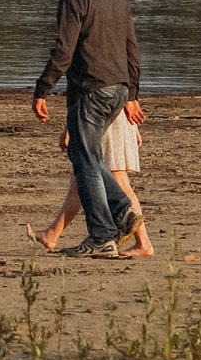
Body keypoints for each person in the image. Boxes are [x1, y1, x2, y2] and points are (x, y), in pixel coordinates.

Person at [29, 0, 143, 258]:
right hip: (119, 89)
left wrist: (43, 88)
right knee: (87, 157)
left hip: (90, 90)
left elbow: (63, 52)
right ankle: (119, 215)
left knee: (85, 163)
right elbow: (132, 49)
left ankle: (103, 234)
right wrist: (132, 92)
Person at [23, 101, 154, 257]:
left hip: (107, 115)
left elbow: (89, 85)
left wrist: (70, 127)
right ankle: (52, 233)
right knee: (81, 179)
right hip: (111, 111)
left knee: (116, 179)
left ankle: (143, 242)